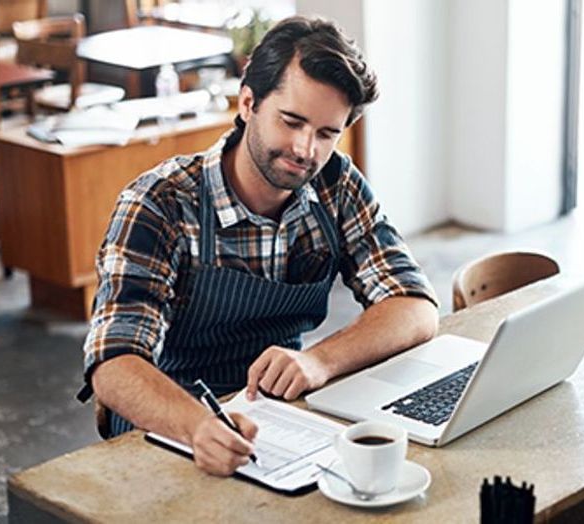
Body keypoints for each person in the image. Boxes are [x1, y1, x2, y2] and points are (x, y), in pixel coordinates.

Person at [77, 15, 439, 476]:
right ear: (248, 102)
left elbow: (414, 306)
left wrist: (318, 361)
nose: (306, 149)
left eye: (328, 133)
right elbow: (113, 364)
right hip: (170, 421)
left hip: (282, 415)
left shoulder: (337, 185)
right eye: (292, 122)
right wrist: (197, 427)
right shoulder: (159, 203)